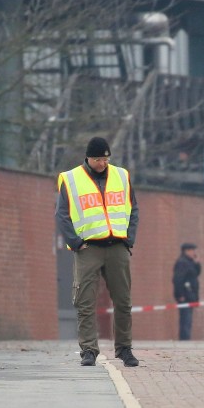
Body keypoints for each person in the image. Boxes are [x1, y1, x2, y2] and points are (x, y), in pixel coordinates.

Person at [55, 136, 140, 367]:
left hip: (118, 246)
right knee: (84, 301)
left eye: (105, 158)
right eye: (97, 159)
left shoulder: (122, 176)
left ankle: (124, 349)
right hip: (88, 247)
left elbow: (133, 208)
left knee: (123, 301)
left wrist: (128, 239)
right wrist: (75, 242)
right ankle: (89, 350)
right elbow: (62, 214)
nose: (102, 163)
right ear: (87, 158)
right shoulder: (71, 179)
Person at [172, 242, 201, 340]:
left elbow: (196, 274)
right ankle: (184, 341)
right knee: (185, 320)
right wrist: (180, 294)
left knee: (187, 320)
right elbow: (177, 279)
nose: (194, 253)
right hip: (185, 296)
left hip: (190, 295)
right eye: (193, 251)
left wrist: (197, 264)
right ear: (187, 251)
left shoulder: (190, 262)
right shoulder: (182, 262)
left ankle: (186, 340)